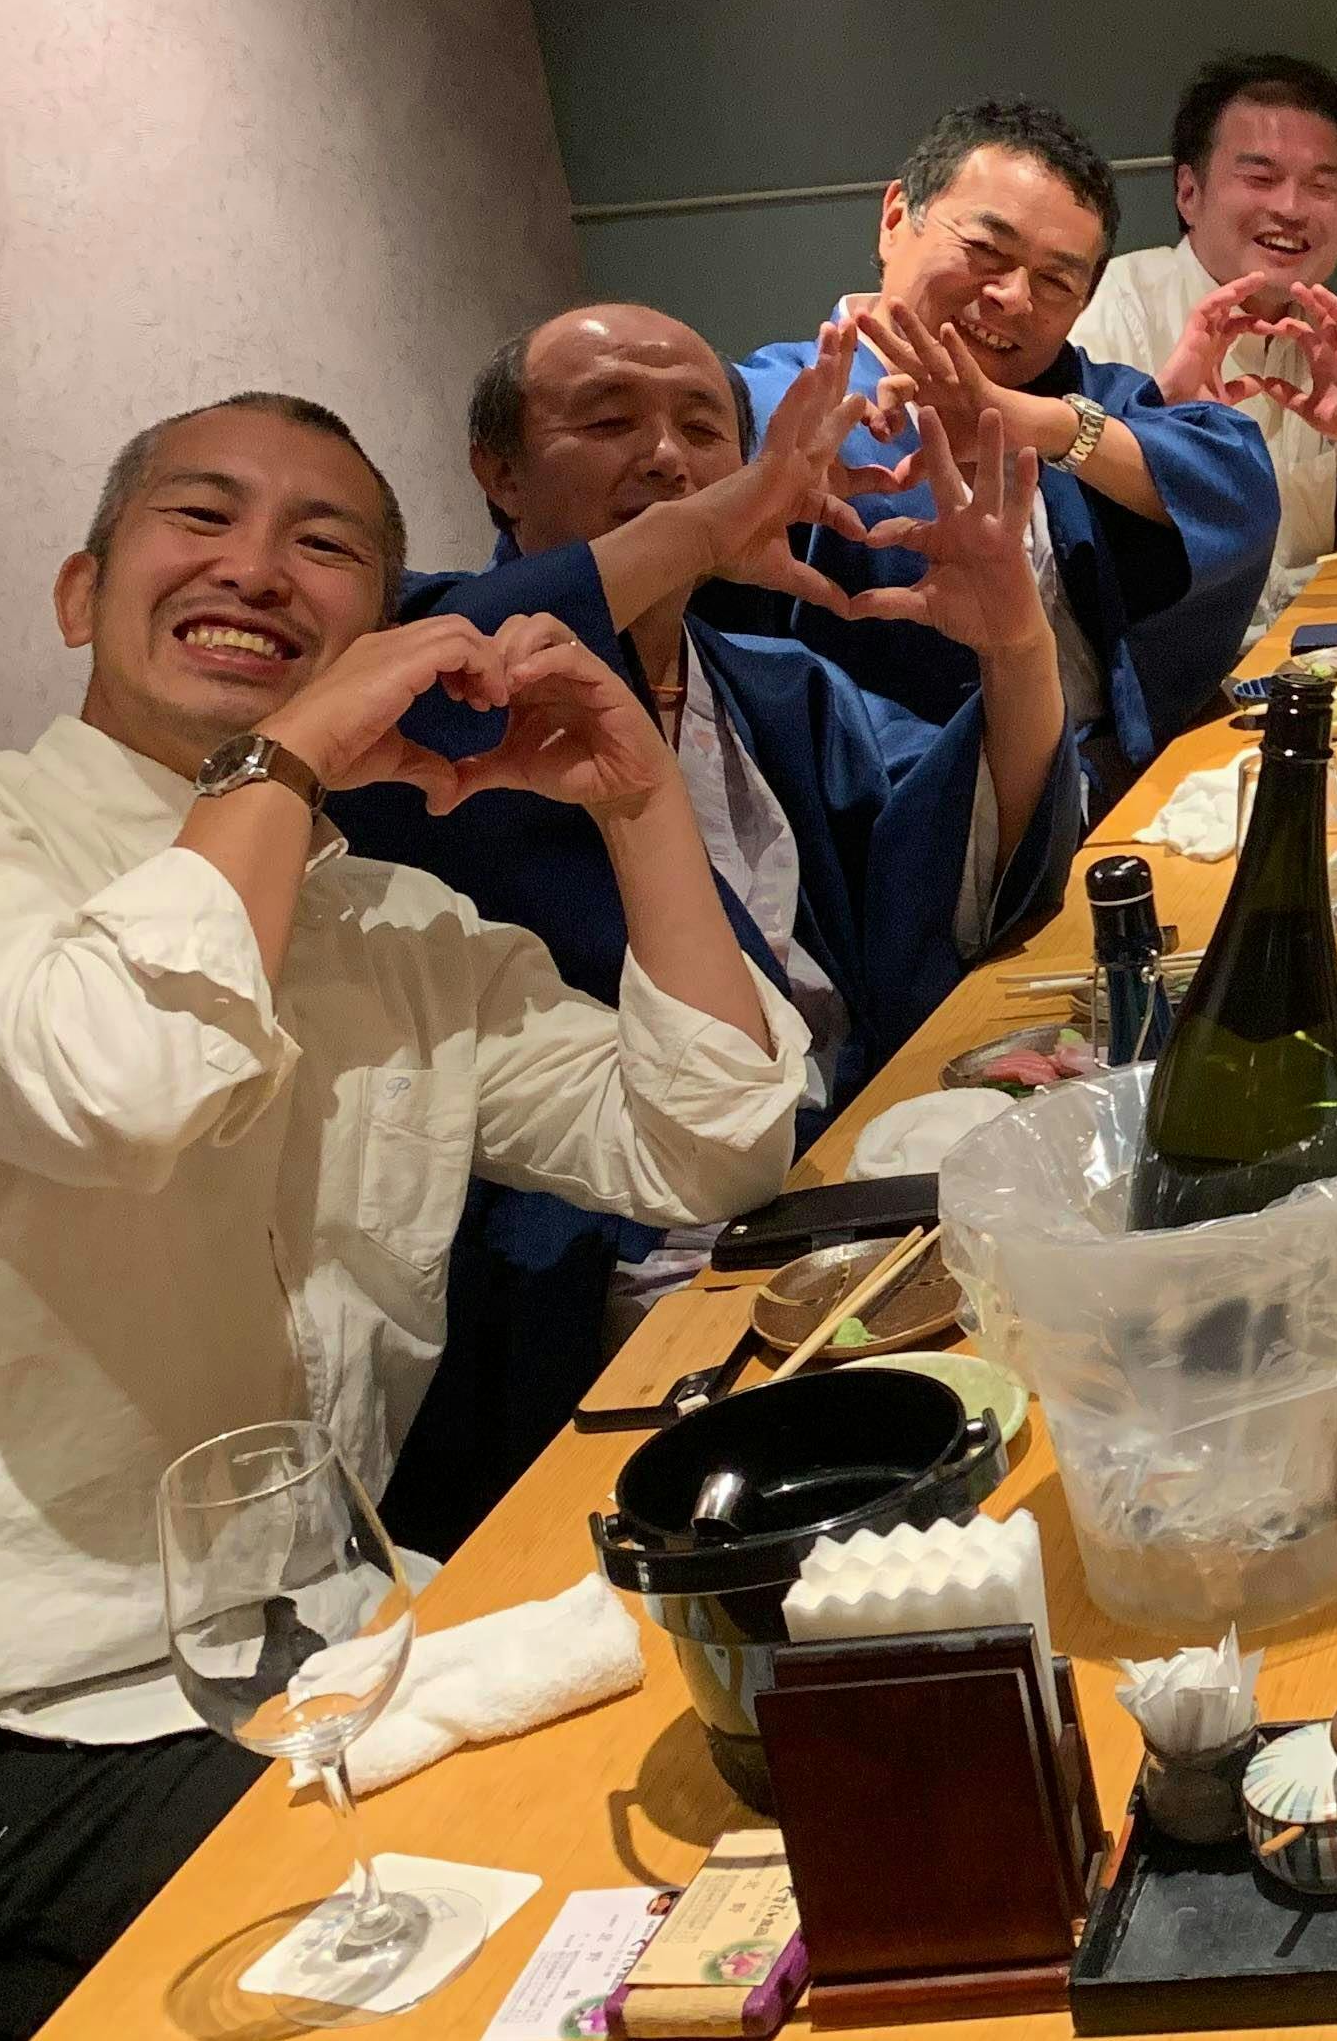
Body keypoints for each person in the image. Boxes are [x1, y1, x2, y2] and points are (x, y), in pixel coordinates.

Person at [0, 395, 807, 2041]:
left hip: (309, 1678)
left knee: (760, 1796)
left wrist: (635, 801)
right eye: (201, 516)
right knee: (609, 1966)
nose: (257, 567)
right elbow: (125, 1076)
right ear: (81, 591)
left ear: (378, 630)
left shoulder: (394, 930)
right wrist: (281, 766)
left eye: (325, 544)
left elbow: (707, 1143)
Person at [332, 305, 1081, 1539]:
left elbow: (951, 869)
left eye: (702, 428)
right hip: (613, 1266)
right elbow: (432, 677)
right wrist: (706, 527)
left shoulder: (777, 687)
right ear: (498, 471)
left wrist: (1016, 648)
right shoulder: (428, 682)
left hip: (840, 1198)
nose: (668, 459)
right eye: (608, 420)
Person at [721, 95, 1279, 798]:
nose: (1014, 297)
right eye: (986, 250)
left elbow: (1238, 482)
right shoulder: (764, 408)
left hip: (1132, 787)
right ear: (896, 219)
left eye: (1056, 281)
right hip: (921, 815)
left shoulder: (1068, 389)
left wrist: (1029, 421)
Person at [1072, 51, 1337, 649]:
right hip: (1158, 677)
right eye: (1261, 178)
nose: (1291, 209)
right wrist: (1162, 428)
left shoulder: (1323, 328)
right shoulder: (1111, 309)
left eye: (1323, 186)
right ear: (1188, 193)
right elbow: (1054, 520)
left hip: (1298, 666)